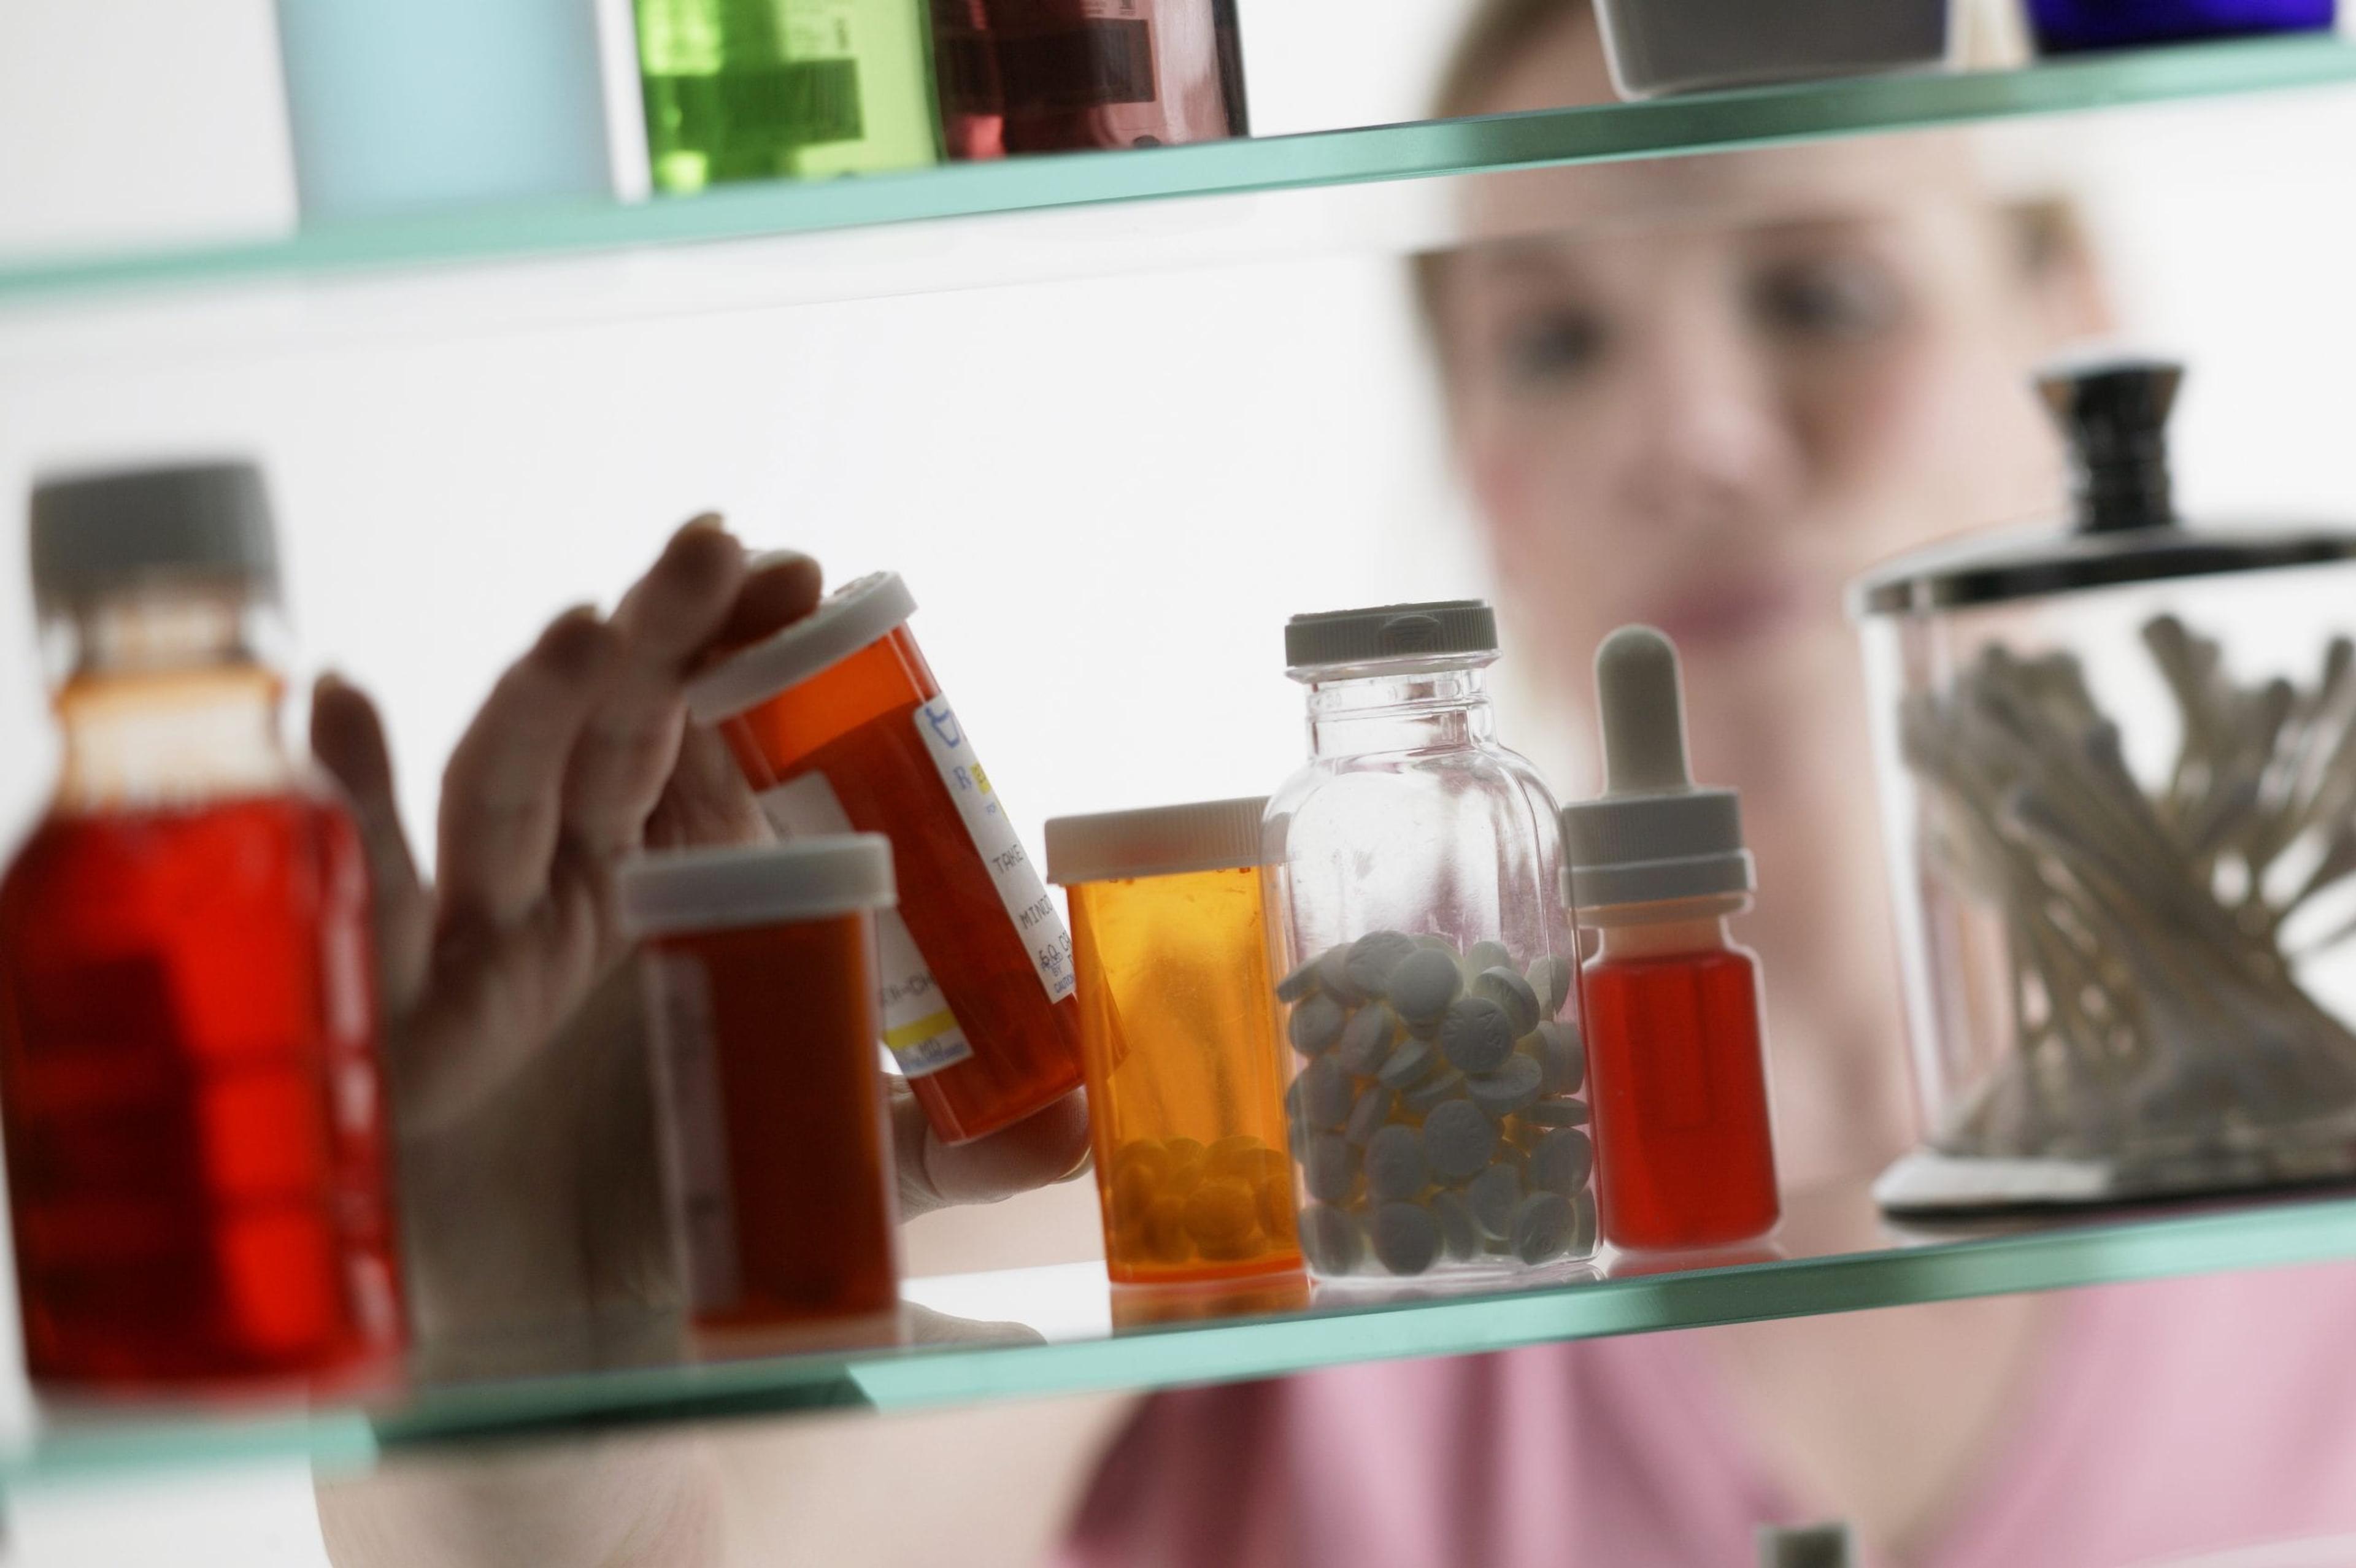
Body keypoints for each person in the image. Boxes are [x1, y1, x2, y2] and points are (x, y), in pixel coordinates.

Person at [319, 2, 2356, 1563]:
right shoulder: (1271, 1168)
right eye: (1554, 339)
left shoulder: (2305, 1189)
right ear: (1485, 466)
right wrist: (507, 1379)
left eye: (1819, 287)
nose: (1696, 437)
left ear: (2070, 333)